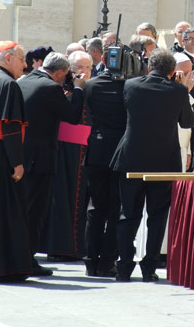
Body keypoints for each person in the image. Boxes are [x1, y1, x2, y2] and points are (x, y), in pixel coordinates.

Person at [111, 48, 194, 282]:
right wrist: (183, 91)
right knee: (157, 215)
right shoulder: (178, 91)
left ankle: (124, 266)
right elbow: (187, 121)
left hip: (131, 157)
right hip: (163, 161)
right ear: (172, 71)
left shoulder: (131, 85)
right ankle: (149, 268)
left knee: (128, 213)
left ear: (149, 66)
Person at [18, 52, 86, 276]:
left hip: (20, 156)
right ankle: (28, 260)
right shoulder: (51, 88)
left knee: (21, 209)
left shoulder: (24, 80)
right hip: (40, 160)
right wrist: (78, 88)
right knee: (35, 212)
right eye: (65, 75)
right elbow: (73, 116)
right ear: (59, 73)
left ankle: (19, 256)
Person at [39, 50, 93, 261]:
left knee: (79, 201)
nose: (84, 72)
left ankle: (77, 246)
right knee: (63, 199)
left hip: (83, 149)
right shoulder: (59, 89)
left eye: (87, 67)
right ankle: (61, 247)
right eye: (79, 68)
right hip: (64, 150)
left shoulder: (91, 87)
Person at [0, 41, 32, 282]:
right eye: (21, 58)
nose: (25, 64)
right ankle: (5, 267)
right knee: (4, 210)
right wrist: (17, 162)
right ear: (7, 59)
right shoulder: (8, 85)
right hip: (1, 154)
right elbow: (10, 126)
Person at [82, 45, 127, 277]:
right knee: (115, 208)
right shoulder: (129, 86)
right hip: (119, 151)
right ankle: (107, 261)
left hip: (97, 150)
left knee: (95, 208)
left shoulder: (91, 85)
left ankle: (91, 260)